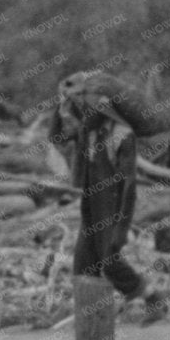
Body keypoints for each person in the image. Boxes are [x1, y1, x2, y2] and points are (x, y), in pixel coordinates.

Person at [49, 73, 148, 302]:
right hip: (91, 206)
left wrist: (121, 228)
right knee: (83, 267)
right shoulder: (88, 131)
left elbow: (129, 186)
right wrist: (59, 104)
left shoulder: (122, 136)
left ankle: (151, 297)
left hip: (112, 205)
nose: (81, 113)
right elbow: (56, 136)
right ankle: (92, 324)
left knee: (109, 261)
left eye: (85, 107)